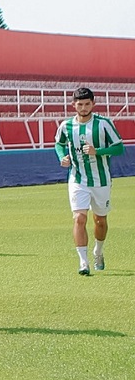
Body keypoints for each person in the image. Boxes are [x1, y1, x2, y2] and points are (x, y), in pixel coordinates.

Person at [55, 87, 124, 275]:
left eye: (87, 104)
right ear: (73, 105)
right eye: (80, 104)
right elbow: (59, 144)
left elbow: (119, 148)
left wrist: (98, 151)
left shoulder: (104, 124)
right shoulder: (66, 126)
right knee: (79, 218)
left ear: (93, 104)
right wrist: (62, 157)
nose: (83, 107)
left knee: (100, 220)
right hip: (77, 179)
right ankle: (83, 262)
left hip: (101, 180)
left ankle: (98, 252)